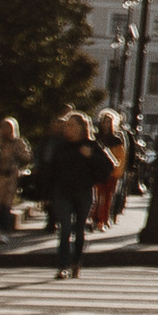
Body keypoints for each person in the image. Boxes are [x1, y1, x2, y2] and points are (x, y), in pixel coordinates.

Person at [38, 111, 104, 279]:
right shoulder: (61, 146)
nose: (67, 128)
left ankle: (76, 263)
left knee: (79, 229)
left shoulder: (91, 145)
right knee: (65, 229)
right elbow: (51, 171)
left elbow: (108, 167)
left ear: (82, 128)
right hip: (63, 192)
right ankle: (63, 266)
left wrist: (91, 157)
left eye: (71, 125)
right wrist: (46, 194)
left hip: (83, 192)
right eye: (67, 125)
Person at [88, 109, 129, 231]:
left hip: (111, 173)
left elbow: (121, 157)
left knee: (107, 197)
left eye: (109, 122)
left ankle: (103, 220)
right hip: (97, 172)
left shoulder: (116, 140)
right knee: (95, 197)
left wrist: (117, 171)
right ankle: (94, 218)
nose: (106, 124)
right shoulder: (96, 138)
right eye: (105, 121)